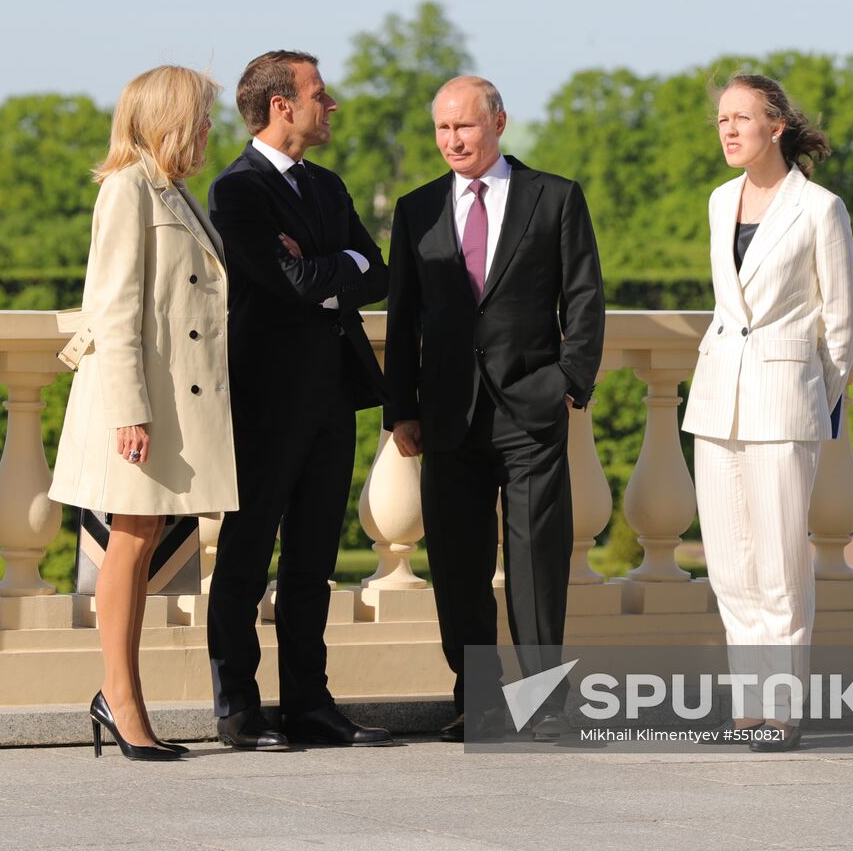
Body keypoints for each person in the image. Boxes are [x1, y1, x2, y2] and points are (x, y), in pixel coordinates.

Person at [384, 75, 605, 742]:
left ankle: (544, 705)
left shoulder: (555, 198)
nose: (453, 140)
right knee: (457, 567)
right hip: (446, 415)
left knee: (537, 564)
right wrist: (401, 406)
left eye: (466, 126)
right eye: (443, 128)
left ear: (499, 123)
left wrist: (569, 380)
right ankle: (475, 703)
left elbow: (585, 298)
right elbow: (403, 317)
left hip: (531, 410)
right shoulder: (416, 208)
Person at [205, 50, 392, 750]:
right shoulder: (238, 191)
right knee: (246, 559)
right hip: (262, 400)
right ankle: (239, 710)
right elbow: (289, 282)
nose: (331, 105)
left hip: (330, 396)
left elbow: (377, 271)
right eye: (320, 93)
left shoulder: (328, 186)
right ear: (283, 104)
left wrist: (331, 267)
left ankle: (310, 706)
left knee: (313, 562)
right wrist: (334, 267)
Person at [50, 65, 237, 761]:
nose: (211, 130)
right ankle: (120, 700)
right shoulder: (127, 190)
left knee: (143, 538)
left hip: (167, 403)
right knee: (127, 546)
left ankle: (123, 698)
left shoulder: (173, 191)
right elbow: (115, 307)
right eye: (203, 117)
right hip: (138, 405)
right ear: (170, 119)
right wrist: (130, 409)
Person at [682, 74, 853, 752]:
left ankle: (781, 711)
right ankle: (747, 707)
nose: (728, 130)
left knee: (782, 564)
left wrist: (809, 398)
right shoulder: (718, 200)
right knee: (729, 565)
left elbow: (840, 330)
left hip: (784, 406)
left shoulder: (821, 209)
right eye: (721, 119)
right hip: (715, 401)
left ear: (776, 126)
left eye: (742, 118)